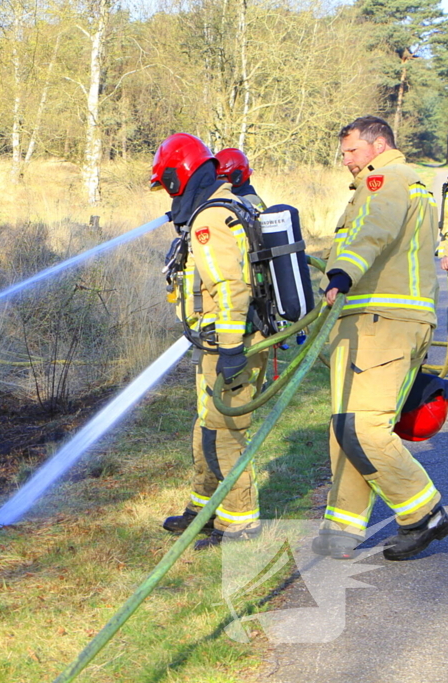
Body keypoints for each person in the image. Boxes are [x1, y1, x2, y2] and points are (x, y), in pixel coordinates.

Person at [316, 115, 448, 561]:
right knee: (346, 426)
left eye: (352, 152)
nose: (348, 163)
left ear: (379, 145)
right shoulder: (391, 181)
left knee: (364, 427)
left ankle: (424, 512)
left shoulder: (386, 179)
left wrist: (343, 270)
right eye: (344, 155)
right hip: (372, 321)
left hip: (384, 321)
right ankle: (341, 528)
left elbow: (376, 228)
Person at [152, 133, 269, 549]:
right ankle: (205, 507)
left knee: (225, 430)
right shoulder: (228, 205)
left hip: (230, 343)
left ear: (177, 176)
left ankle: (238, 522)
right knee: (206, 425)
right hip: (218, 342)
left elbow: (229, 288)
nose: (167, 194)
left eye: (166, 185)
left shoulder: (208, 219)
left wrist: (233, 351)